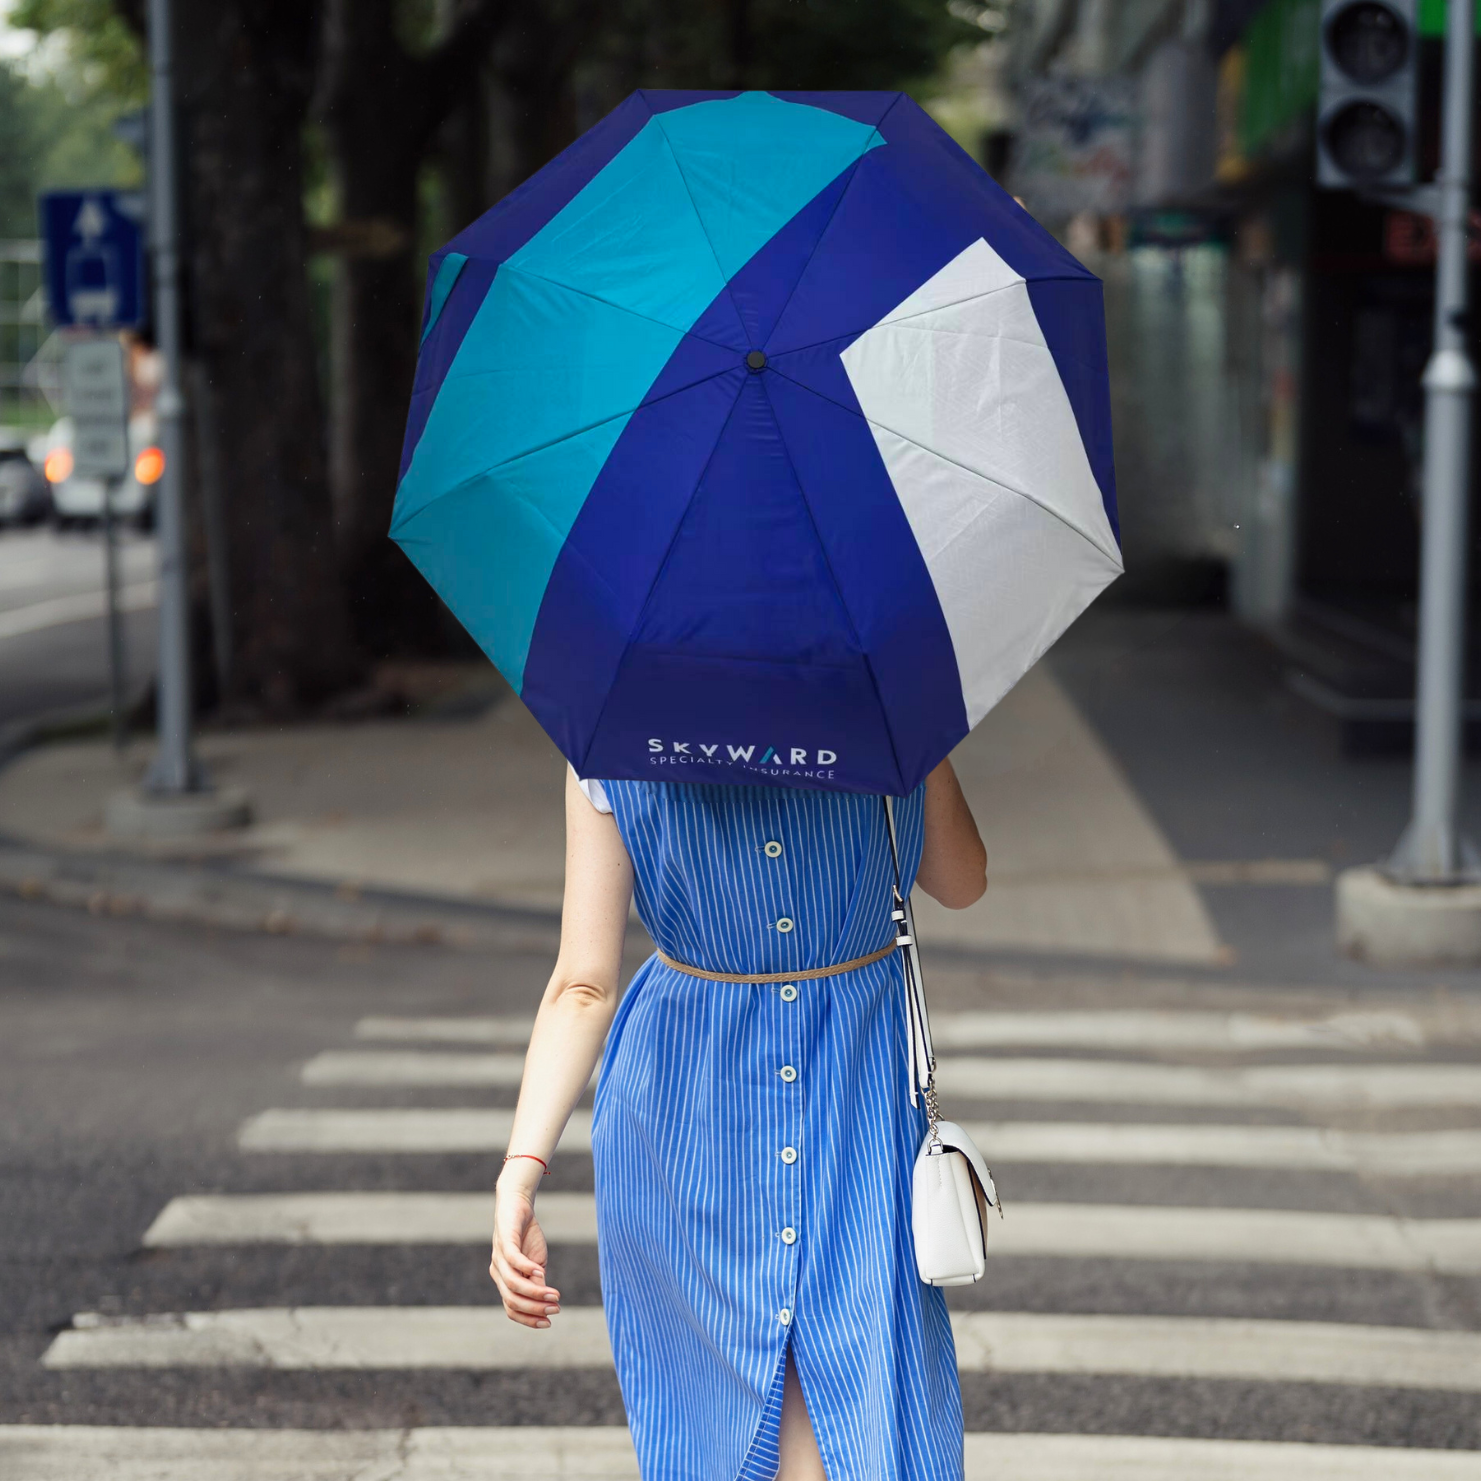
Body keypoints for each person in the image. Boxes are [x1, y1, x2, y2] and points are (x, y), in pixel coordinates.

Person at [490, 761, 988, 1480]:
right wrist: (917, 739)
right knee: (839, 1419)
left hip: (693, 1105)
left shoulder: (617, 725)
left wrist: (520, 1173)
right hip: (831, 1093)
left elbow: (582, 984)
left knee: (755, 1437)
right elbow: (963, 881)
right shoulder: (867, 709)